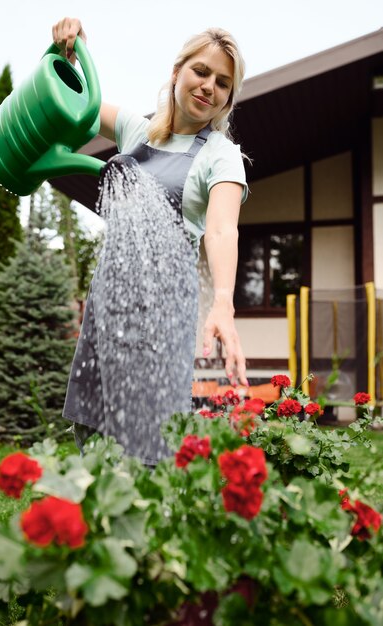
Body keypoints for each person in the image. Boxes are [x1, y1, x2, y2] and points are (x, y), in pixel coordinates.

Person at [52, 18, 249, 465]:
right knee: (93, 420)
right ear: (177, 70)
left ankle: (151, 520)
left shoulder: (220, 155)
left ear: (228, 98)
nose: (208, 87)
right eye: (201, 71)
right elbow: (76, 103)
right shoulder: (138, 132)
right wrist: (71, 55)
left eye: (223, 83)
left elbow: (221, 229)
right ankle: (102, 517)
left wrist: (223, 301)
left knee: (150, 431)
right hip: (109, 301)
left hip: (161, 311)